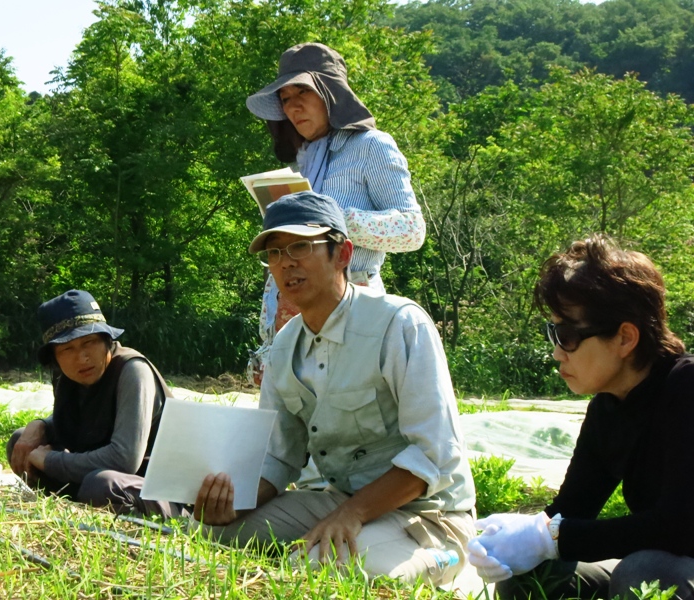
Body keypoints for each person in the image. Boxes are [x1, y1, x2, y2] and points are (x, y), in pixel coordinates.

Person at [193, 191, 475, 584]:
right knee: (210, 535)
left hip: (428, 512)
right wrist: (234, 505)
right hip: (339, 501)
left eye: (300, 247)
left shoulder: (399, 324)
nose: (286, 262)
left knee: (322, 570)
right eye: (274, 253)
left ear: (342, 254)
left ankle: (455, 561)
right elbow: (278, 458)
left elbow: (433, 454)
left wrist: (351, 514)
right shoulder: (283, 349)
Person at [467, 236, 694, 600]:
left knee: (646, 574)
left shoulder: (685, 388)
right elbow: (572, 511)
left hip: (677, 565)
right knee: (534, 573)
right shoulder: (608, 404)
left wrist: (550, 538)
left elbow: (679, 527)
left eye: (568, 335)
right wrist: (519, 538)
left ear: (625, 338)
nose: (557, 352)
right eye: (553, 332)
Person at [245, 42, 426, 384]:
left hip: (355, 313)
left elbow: (412, 229)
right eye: (285, 99)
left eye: (303, 92)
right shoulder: (302, 161)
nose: (293, 106)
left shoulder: (372, 146)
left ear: (330, 93)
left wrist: (334, 220)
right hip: (293, 311)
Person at [7, 289, 186, 518]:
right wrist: (41, 425)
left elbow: (124, 459)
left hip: (156, 488)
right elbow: (73, 420)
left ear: (106, 340)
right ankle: (68, 509)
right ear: (55, 357)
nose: (82, 358)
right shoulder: (66, 375)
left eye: (89, 342)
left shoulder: (132, 370)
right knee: (20, 442)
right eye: (67, 349)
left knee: (101, 485)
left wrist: (50, 461)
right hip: (104, 475)